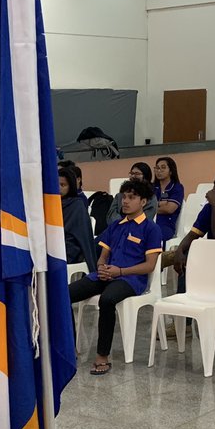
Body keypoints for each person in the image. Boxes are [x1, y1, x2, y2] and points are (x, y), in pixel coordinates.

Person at [68, 179, 162, 375]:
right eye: (123, 197)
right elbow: (103, 256)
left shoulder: (150, 228)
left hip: (131, 279)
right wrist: (101, 268)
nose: (125, 201)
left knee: (107, 299)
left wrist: (119, 272)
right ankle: (69, 347)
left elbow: (150, 265)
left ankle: (102, 355)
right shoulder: (116, 225)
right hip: (106, 275)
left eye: (131, 197)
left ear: (143, 202)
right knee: (64, 294)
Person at [59, 166, 97, 267]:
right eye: (56, 184)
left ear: (70, 186)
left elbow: (80, 236)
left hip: (70, 249)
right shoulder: (51, 203)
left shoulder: (77, 205)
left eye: (63, 185)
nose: (58, 188)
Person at [152, 155, 184, 243]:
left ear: (171, 171)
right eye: (157, 168)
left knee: (154, 235)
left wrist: (151, 207)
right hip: (149, 221)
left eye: (163, 168)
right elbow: (143, 205)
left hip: (166, 225)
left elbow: (169, 209)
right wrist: (161, 204)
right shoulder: (152, 187)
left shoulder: (177, 187)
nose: (159, 171)